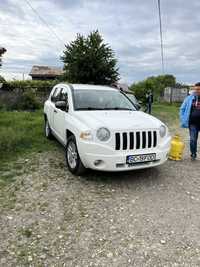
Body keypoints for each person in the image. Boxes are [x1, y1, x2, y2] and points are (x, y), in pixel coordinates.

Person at [180, 82, 200, 160]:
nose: (196, 91)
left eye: (198, 89)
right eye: (196, 89)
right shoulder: (189, 98)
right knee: (192, 139)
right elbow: (182, 109)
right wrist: (183, 118)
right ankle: (193, 153)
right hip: (193, 123)